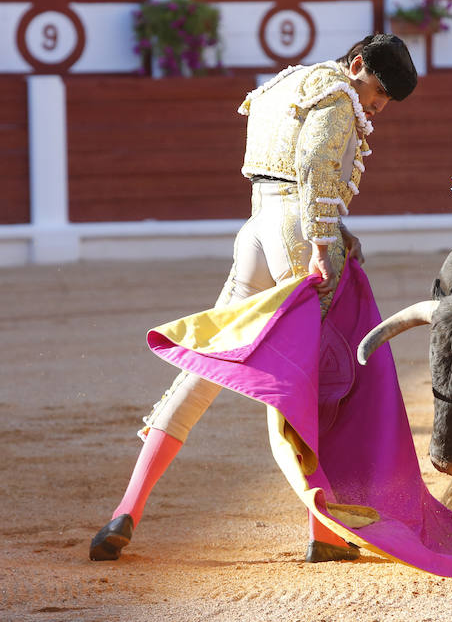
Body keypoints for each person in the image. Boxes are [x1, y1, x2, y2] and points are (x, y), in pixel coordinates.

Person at [90, 34, 418, 564]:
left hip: (255, 230)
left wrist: (334, 227)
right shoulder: (336, 93)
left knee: (205, 367)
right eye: (377, 92)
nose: (376, 107)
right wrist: (321, 241)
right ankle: (327, 532)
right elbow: (312, 163)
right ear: (357, 64)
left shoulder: (286, 81)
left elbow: (281, 164)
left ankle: (127, 508)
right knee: (319, 380)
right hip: (298, 235)